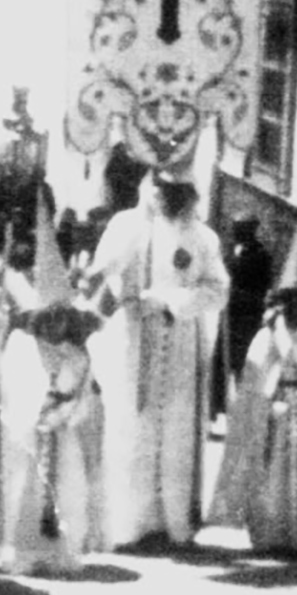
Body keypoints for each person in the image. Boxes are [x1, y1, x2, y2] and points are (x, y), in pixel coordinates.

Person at [87, 167, 229, 550]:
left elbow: (218, 291)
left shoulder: (204, 237)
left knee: (176, 431)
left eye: (181, 191)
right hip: (133, 339)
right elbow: (104, 272)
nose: (172, 198)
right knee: (131, 426)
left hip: (180, 341)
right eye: (165, 189)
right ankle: (129, 525)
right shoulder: (127, 225)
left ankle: (172, 523)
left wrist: (170, 301)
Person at [209, 286, 297, 554]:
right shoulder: (267, 336)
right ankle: (270, 534)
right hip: (275, 408)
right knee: (273, 471)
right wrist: (278, 331)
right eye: (292, 304)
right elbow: (260, 373)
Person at [0, 300, 104, 575]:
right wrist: (36, 417)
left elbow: (83, 398)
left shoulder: (79, 357)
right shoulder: (24, 348)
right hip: (29, 435)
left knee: (67, 491)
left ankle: (61, 553)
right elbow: (13, 392)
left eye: (60, 318)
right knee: (25, 491)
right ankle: (23, 554)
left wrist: (63, 417)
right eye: (48, 319)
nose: (53, 325)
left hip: (63, 432)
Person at [211, 215, 274, 420]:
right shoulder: (230, 251)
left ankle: (241, 414)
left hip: (247, 318)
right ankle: (216, 408)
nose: (235, 231)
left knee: (242, 365)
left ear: (250, 230)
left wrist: (236, 295)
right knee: (220, 361)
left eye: (240, 228)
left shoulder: (261, 256)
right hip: (228, 316)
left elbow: (262, 289)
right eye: (235, 227)